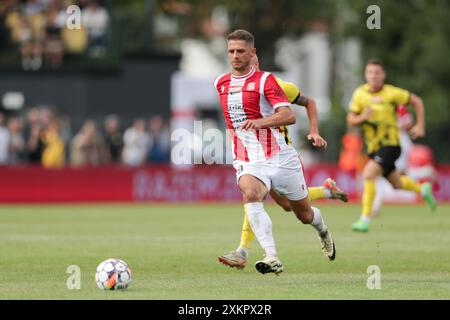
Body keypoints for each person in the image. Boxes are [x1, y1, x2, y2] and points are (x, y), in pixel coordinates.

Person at [214, 29, 335, 275]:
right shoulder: (221, 83)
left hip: (280, 156)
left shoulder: (268, 81)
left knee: (301, 213)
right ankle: (271, 256)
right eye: (231, 51)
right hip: (248, 158)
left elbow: (289, 115)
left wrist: (261, 122)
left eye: (240, 51)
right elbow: (231, 121)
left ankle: (322, 229)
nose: (235, 56)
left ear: (253, 53)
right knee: (251, 193)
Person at [347, 59, 437, 232]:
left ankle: (365, 219)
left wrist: (420, 125)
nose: (373, 76)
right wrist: (362, 118)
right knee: (396, 183)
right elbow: (351, 119)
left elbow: (417, 101)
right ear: (366, 75)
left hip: (391, 145)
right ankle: (423, 188)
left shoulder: (392, 93)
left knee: (368, 174)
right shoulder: (359, 94)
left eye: (377, 72)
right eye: (370, 72)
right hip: (373, 147)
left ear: (383, 75)